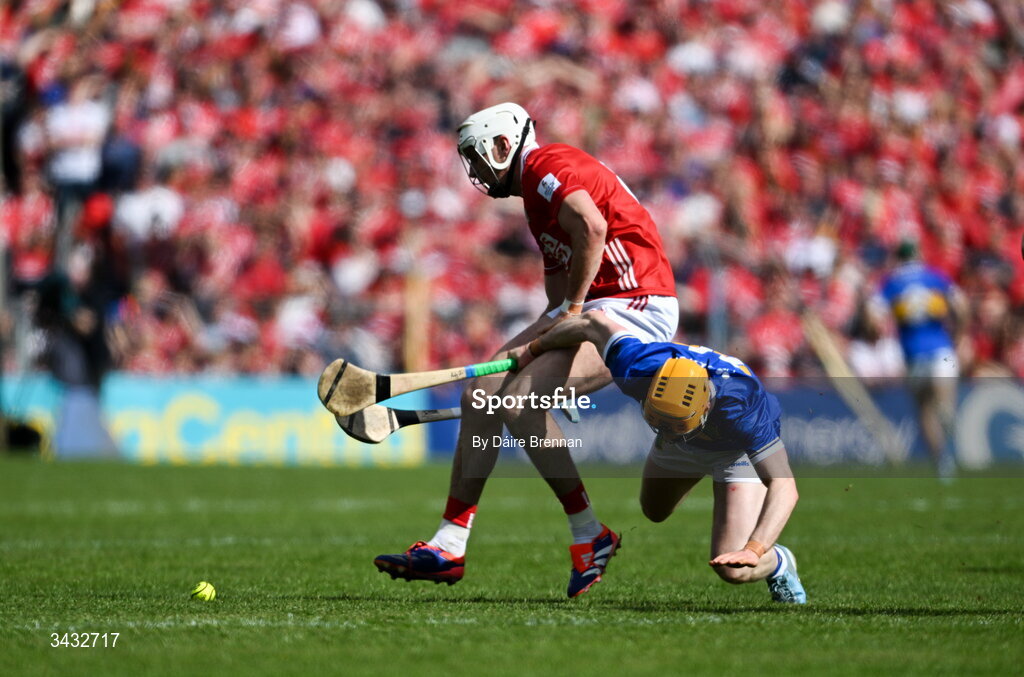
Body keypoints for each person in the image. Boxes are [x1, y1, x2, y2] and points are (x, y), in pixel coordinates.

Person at [373, 103, 679, 597]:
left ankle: (589, 536)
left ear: (502, 144)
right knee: (482, 390)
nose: (472, 170)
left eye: (476, 157)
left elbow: (593, 231)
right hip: (595, 310)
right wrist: (549, 346)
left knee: (516, 402)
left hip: (635, 306)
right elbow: (556, 302)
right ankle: (449, 543)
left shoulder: (545, 167)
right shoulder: (536, 200)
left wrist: (569, 323)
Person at [507, 310, 807, 603]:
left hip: (732, 451)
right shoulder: (636, 366)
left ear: (703, 408)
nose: (666, 429)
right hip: (682, 442)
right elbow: (593, 321)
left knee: (732, 569)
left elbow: (785, 487)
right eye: (657, 420)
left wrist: (755, 548)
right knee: (654, 510)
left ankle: (779, 562)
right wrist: (534, 349)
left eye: (676, 424)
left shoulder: (741, 407)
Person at [868, 240, 968, 479]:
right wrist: (960, 335)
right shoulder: (935, 276)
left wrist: (877, 335)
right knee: (944, 400)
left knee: (924, 410)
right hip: (941, 347)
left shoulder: (891, 282)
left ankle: (942, 462)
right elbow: (961, 305)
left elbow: (873, 314)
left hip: (913, 352)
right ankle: (948, 419)